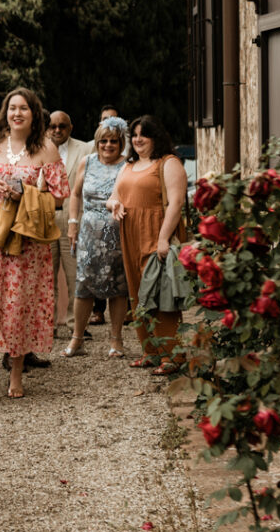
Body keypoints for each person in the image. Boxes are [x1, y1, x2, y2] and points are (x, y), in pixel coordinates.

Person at [0, 87, 69, 399]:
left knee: (18, 303)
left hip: (26, 238)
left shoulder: (46, 149)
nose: (17, 113)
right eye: (12, 108)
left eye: (23, 108)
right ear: (5, 113)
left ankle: (17, 372)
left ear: (34, 113)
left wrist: (27, 193)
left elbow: (60, 193)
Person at [106, 115, 187, 375]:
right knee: (138, 294)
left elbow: (176, 203)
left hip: (156, 231)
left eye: (144, 134)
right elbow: (113, 197)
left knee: (161, 294)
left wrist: (164, 237)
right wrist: (114, 205)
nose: (138, 139)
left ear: (156, 137)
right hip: (130, 234)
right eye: (135, 134)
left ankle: (173, 355)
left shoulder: (168, 163)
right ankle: (150, 351)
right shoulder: (128, 166)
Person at [63, 116, 129, 358]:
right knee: (83, 284)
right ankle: (77, 339)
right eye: (103, 141)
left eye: (113, 141)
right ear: (97, 142)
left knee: (118, 286)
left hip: (118, 233)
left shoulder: (127, 165)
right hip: (89, 231)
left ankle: (116, 340)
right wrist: (72, 223)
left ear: (121, 143)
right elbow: (75, 194)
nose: (108, 146)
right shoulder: (87, 161)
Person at [47, 111, 91, 338]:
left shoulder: (85, 149)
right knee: (46, 275)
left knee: (75, 274)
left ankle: (77, 326)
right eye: (53, 126)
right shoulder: (38, 150)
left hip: (74, 217)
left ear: (70, 127)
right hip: (44, 218)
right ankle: (48, 326)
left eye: (62, 126)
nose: (57, 130)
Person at [89, 104, 121, 325]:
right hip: (93, 223)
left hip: (119, 221)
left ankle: (125, 312)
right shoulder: (90, 158)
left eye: (113, 119)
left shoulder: (127, 159)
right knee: (95, 270)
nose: (108, 122)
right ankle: (97, 310)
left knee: (119, 272)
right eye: (105, 118)